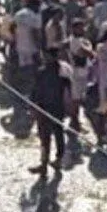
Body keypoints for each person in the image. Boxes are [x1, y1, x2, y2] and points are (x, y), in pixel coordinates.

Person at [29, 47, 70, 175]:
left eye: (46, 56)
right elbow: (35, 90)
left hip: (53, 107)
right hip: (46, 107)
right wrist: (33, 105)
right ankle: (45, 163)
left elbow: (68, 89)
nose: (44, 58)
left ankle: (56, 160)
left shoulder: (59, 71)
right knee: (47, 136)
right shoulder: (45, 71)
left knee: (55, 134)